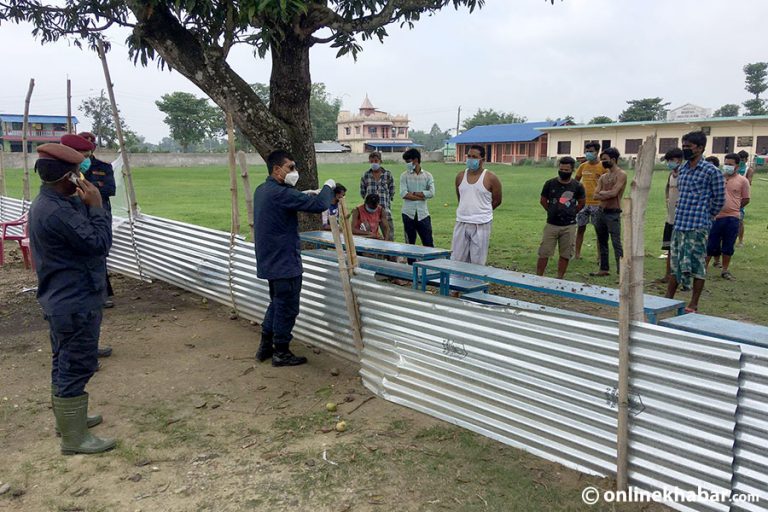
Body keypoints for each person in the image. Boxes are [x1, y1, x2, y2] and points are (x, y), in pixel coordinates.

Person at [29, 143, 116, 455]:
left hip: (62, 297)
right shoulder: (58, 213)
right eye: (78, 173)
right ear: (69, 178)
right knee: (76, 364)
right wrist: (96, 207)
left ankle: (68, 422)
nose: (83, 176)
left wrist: (84, 205)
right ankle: (74, 438)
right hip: (74, 300)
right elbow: (98, 244)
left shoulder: (51, 202)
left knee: (63, 360)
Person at [253, 149, 335, 367]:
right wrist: (328, 186)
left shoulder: (262, 190)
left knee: (277, 302)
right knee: (288, 306)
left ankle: (265, 345)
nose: (294, 171)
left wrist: (307, 193)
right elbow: (320, 206)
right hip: (284, 261)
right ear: (277, 170)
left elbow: (290, 200)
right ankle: (281, 351)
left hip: (269, 259)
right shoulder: (282, 194)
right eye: (291, 167)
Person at [59, 134, 114, 361]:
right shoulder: (64, 185)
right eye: (81, 154)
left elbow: (108, 189)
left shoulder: (96, 170)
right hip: (80, 247)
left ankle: (89, 348)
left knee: (92, 302)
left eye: (88, 153)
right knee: (78, 307)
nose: (86, 158)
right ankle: (81, 355)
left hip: (93, 235)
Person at [665, 131, 726, 312]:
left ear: (700, 148)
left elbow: (720, 198)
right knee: (676, 262)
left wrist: (707, 215)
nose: (685, 149)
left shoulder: (711, 171)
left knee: (697, 263)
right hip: (680, 223)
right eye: (684, 146)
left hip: (698, 225)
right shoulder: (682, 169)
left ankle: (694, 303)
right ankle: (668, 298)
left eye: (689, 146)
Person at [77, 132, 117, 308]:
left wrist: (90, 193)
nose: (85, 152)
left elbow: (109, 189)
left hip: (100, 214)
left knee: (100, 254)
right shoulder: (72, 169)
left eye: (88, 148)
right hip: (79, 215)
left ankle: (101, 294)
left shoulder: (103, 167)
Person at [451, 145, 502, 265]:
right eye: (469, 156)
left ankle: (475, 283)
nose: (470, 159)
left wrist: (483, 211)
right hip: (462, 221)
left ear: (482, 160)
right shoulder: (460, 176)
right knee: (457, 258)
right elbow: (460, 197)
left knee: (477, 260)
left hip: (481, 223)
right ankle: (458, 282)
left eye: (474, 157)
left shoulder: (491, 178)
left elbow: (497, 200)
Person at [536, 157, 585, 279]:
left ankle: (560, 278)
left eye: (566, 170)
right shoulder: (550, 183)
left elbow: (582, 202)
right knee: (544, 252)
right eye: (561, 169)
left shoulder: (577, 186)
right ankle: (538, 277)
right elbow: (543, 200)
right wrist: (552, 210)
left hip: (569, 225)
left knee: (565, 253)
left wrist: (572, 212)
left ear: (572, 170)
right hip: (552, 224)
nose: (563, 171)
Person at [706, 153, 750, 279]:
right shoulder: (717, 177)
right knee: (711, 243)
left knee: (728, 244)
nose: (727, 167)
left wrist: (735, 207)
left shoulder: (743, 181)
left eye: (730, 164)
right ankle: (703, 267)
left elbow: (746, 199)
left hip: (732, 217)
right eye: (725, 164)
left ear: (737, 166)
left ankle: (725, 270)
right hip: (715, 216)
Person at [590, 147, 627, 277]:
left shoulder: (621, 174)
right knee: (602, 241)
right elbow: (595, 195)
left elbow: (614, 193)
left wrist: (603, 193)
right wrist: (606, 194)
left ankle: (621, 271)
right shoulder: (603, 177)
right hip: (601, 211)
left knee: (616, 242)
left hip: (613, 212)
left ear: (613, 159)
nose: (603, 162)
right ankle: (604, 268)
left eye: (605, 160)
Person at [574, 141, 606, 259]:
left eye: (591, 151)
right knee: (580, 228)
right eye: (586, 151)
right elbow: (576, 181)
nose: (588, 154)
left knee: (599, 231)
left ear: (597, 152)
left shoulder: (603, 166)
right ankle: (577, 254)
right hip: (583, 203)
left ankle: (599, 256)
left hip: (598, 204)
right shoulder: (583, 166)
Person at [400, 148, 435, 249]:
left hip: (423, 214)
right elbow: (403, 194)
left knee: (428, 243)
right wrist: (422, 196)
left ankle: (430, 264)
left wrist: (414, 193)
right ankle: (411, 264)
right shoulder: (404, 176)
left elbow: (432, 193)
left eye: (408, 161)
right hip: (408, 213)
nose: (407, 164)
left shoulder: (428, 176)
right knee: (409, 245)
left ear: (415, 160)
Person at [658, 148, 683, 283]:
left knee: (680, 250)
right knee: (669, 248)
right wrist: (668, 199)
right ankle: (668, 275)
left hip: (682, 220)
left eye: (671, 160)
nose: (669, 163)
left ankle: (679, 277)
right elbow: (667, 188)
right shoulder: (671, 175)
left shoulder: (685, 175)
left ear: (679, 160)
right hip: (670, 219)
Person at [360, 151, 396, 241]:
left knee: (389, 234)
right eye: (371, 161)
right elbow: (363, 192)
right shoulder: (366, 175)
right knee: (370, 236)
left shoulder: (387, 174)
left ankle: (389, 254)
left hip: (385, 210)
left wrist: (387, 201)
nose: (374, 163)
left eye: (376, 161)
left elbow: (392, 190)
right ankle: (373, 254)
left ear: (380, 161)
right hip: (370, 212)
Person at [736, 150, 754, 247]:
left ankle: (740, 241)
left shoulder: (748, 169)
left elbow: (749, 181)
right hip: (732, 196)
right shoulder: (735, 167)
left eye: (743, 159)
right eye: (740, 159)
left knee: (740, 220)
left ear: (746, 159)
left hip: (741, 197)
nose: (741, 161)